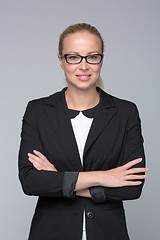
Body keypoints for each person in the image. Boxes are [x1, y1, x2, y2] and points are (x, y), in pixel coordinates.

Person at [18, 23, 148, 240]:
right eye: (74, 57)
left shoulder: (126, 112)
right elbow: (30, 181)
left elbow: (132, 187)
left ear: (101, 60)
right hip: (51, 233)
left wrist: (59, 180)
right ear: (61, 60)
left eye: (92, 57)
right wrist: (103, 177)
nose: (84, 65)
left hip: (109, 233)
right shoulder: (38, 111)